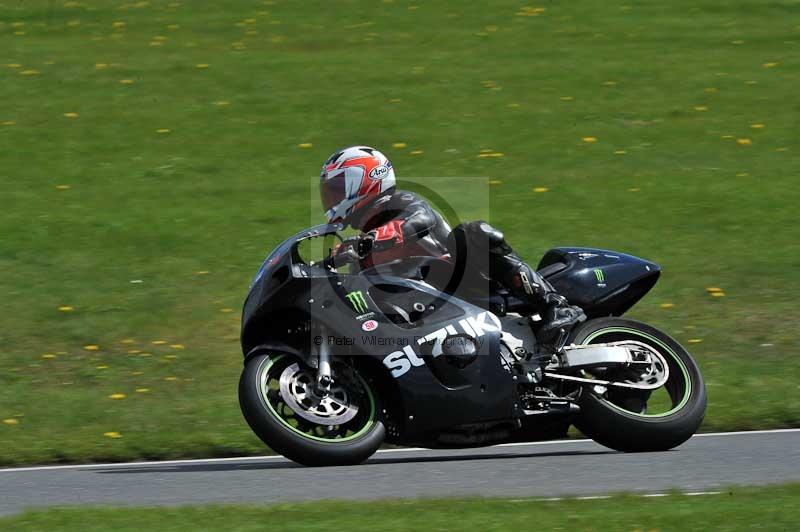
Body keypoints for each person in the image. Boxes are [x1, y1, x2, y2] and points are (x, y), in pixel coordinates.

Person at [319, 145, 585, 345]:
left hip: (465, 286)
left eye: (338, 188)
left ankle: (555, 306)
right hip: (426, 316)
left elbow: (418, 220)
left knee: (472, 232)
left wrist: (374, 240)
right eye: (330, 192)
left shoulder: (401, 203)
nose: (333, 198)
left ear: (364, 180)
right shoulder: (361, 246)